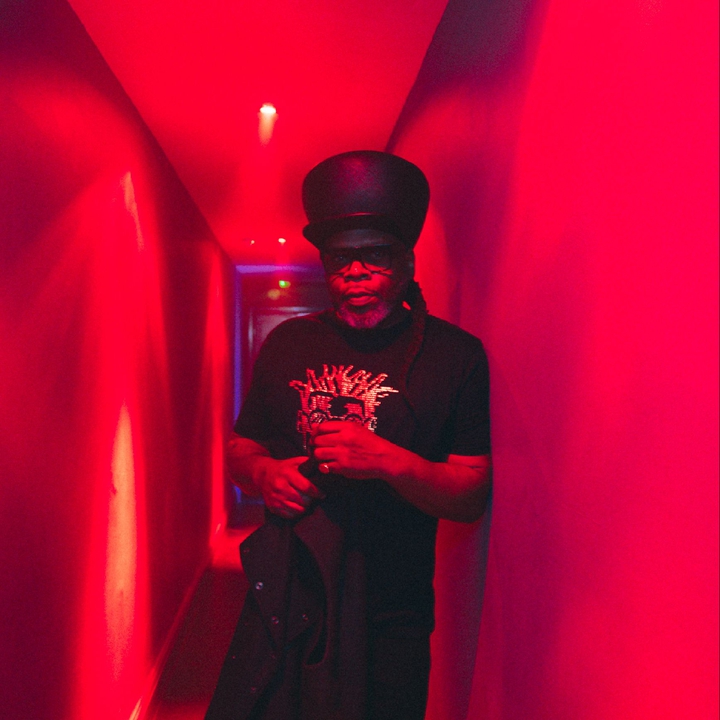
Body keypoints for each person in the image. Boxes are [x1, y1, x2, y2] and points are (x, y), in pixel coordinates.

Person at [205, 150, 491, 720]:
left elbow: (472, 491)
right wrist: (264, 474)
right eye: (340, 259)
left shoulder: (455, 355)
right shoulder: (288, 343)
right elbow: (242, 448)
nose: (355, 272)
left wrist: (389, 461)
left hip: (393, 609)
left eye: (374, 255)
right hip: (290, 590)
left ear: (407, 262)